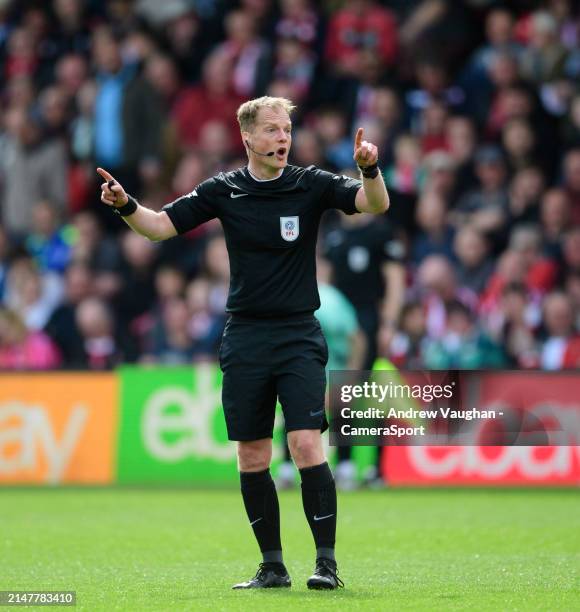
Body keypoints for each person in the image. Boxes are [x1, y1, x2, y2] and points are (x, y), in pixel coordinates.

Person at [97, 96, 388, 591]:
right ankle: (272, 566)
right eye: (272, 130)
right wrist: (125, 205)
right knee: (252, 456)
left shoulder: (310, 183)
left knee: (303, 442)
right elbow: (160, 227)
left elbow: (373, 204)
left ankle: (326, 565)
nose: (283, 138)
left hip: (298, 333)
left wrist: (370, 169)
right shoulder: (223, 190)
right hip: (246, 337)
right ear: (247, 138)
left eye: (287, 130)